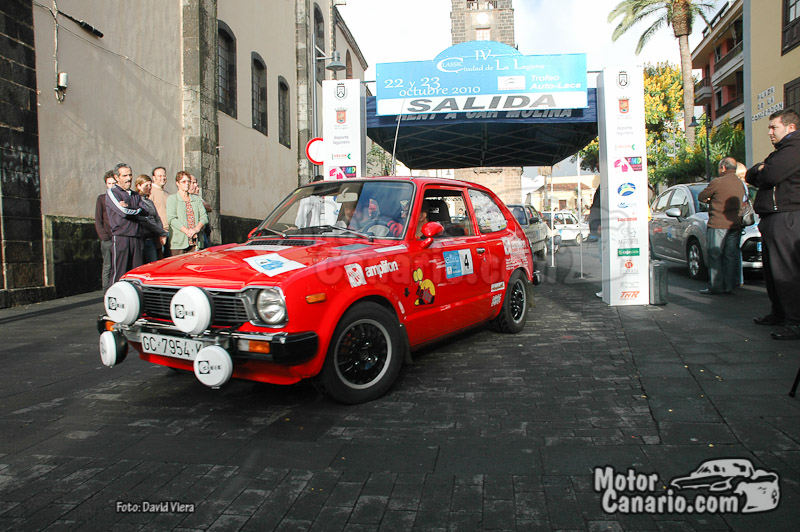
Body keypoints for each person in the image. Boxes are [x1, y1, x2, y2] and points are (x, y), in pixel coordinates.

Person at [745, 109, 800, 339]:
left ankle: (794, 321)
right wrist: (759, 169)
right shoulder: (781, 152)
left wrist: (761, 170)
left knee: (785, 271)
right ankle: (779, 313)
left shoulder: (794, 148)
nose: (769, 132)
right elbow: (751, 175)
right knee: (772, 270)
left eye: (773, 127)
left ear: (790, 128)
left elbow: (769, 176)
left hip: (786, 216)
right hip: (774, 218)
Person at [698, 157, 743, 295]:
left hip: (717, 223)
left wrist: (710, 200)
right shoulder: (739, 183)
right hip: (735, 224)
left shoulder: (717, 182)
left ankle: (716, 286)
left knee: (715, 254)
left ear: (723, 167)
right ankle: (729, 286)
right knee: (730, 255)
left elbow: (701, 196)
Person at [105, 163, 144, 283]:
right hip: (121, 237)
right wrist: (136, 209)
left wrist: (132, 208)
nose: (128, 178)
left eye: (130, 175)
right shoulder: (112, 192)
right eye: (125, 175)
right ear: (117, 178)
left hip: (136, 237)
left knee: (136, 273)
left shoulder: (136, 194)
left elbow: (146, 211)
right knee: (119, 273)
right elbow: (123, 211)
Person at [167, 170, 208, 255]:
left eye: (188, 181)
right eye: (183, 181)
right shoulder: (172, 199)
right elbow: (172, 219)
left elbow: (204, 217)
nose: (187, 184)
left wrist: (196, 229)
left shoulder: (196, 199)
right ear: (177, 183)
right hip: (179, 242)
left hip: (196, 242)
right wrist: (187, 231)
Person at [134, 174, 168, 263]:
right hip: (144, 238)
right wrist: (161, 232)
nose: (149, 188)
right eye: (146, 186)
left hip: (153, 237)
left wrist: (161, 232)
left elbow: (157, 217)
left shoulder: (149, 202)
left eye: (150, 185)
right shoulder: (137, 201)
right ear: (139, 186)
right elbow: (147, 220)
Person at [94, 170, 117, 290]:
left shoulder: (119, 199)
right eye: (109, 183)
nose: (112, 186)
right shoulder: (102, 199)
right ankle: (106, 289)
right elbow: (98, 219)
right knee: (108, 265)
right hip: (108, 238)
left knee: (117, 264)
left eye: (114, 183)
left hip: (118, 237)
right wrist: (104, 236)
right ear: (106, 185)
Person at [149, 166, 170, 256]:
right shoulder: (151, 191)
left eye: (164, 175)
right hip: (159, 233)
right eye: (159, 176)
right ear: (154, 178)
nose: (163, 178)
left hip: (169, 231)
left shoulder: (167, 194)